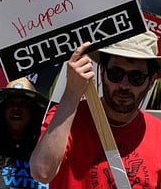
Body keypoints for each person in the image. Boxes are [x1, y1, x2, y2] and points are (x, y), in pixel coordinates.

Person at [30, 31, 161, 188]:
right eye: (115, 74)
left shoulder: (158, 134)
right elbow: (42, 172)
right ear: (102, 71)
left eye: (136, 77)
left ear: (151, 80)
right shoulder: (67, 117)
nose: (124, 85)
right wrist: (71, 93)